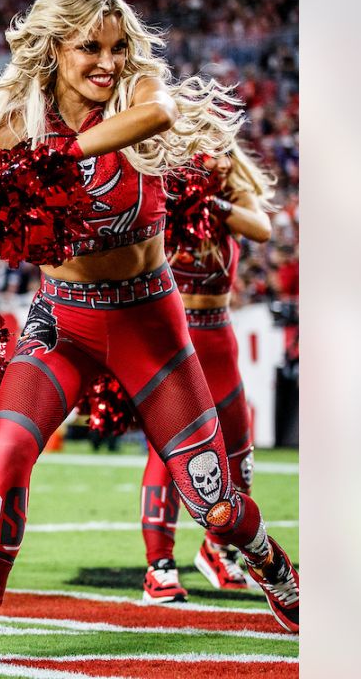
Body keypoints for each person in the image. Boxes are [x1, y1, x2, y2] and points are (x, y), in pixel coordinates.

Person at [0, 0, 298, 668]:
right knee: (6, 456)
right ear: (52, 48)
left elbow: (154, 117)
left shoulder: (138, 95)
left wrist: (59, 158)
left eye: (117, 46)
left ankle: (271, 564)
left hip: (149, 324)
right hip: (60, 324)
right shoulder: (12, 123)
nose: (108, 60)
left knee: (212, 501)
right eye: (88, 47)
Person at [139, 146, 276, 602]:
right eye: (207, 149)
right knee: (171, 450)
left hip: (219, 334)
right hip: (176, 335)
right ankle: (159, 565)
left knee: (240, 449)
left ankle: (217, 549)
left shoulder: (234, 194)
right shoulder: (167, 188)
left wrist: (211, 202)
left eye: (223, 149)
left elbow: (261, 228)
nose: (216, 158)